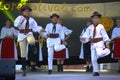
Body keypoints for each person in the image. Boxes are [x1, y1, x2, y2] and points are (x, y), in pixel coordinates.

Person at [14, 6, 44, 76]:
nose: (27, 12)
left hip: (29, 33)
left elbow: (35, 27)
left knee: (31, 41)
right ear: (23, 12)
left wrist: (40, 29)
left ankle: (34, 47)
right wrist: (21, 21)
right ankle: (24, 69)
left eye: (28, 11)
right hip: (21, 34)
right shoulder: (19, 18)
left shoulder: (32, 20)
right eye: (25, 11)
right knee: (23, 53)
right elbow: (16, 25)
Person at [80, 12, 110, 76]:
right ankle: (96, 71)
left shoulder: (101, 26)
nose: (95, 19)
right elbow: (86, 35)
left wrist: (107, 43)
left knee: (99, 53)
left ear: (99, 19)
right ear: (92, 19)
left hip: (99, 43)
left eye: (96, 18)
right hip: (92, 44)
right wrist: (83, 38)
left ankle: (107, 50)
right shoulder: (90, 27)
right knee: (93, 58)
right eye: (93, 18)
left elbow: (105, 36)